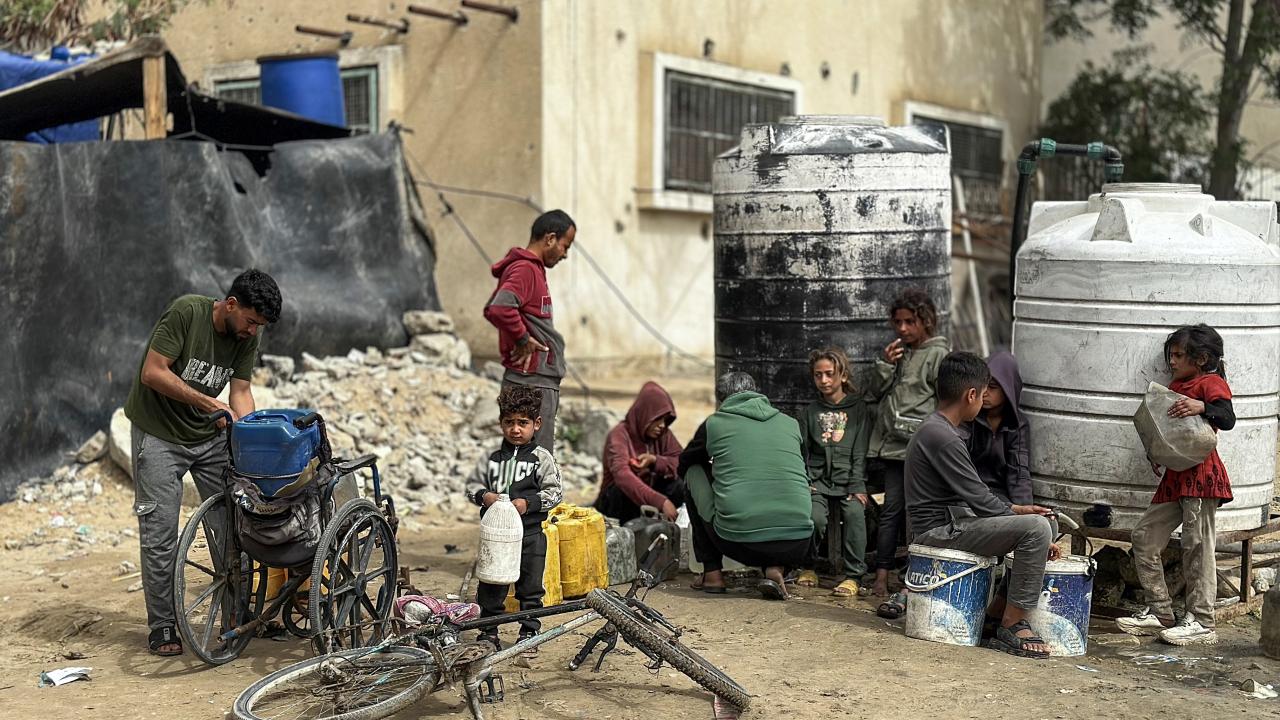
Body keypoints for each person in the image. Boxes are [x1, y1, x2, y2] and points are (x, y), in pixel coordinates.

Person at [124, 269, 281, 656]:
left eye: (258, 326)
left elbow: (240, 392)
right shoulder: (186, 314)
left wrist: (250, 438)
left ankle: (236, 616)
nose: (251, 331)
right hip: (159, 434)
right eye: (249, 321)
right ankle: (162, 625)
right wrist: (210, 403)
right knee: (161, 536)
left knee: (232, 525)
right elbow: (152, 372)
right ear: (230, 305)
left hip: (208, 437)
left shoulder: (248, 333)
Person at [905, 351, 1060, 659]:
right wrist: (1026, 521)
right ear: (971, 394)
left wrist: (1020, 511)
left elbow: (977, 497)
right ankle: (1014, 623)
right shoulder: (942, 436)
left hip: (957, 522)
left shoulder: (940, 429)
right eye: (983, 392)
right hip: (938, 531)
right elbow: (979, 498)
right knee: (1037, 529)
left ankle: (997, 611)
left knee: (1046, 522)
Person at [1116, 324, 1235, 646]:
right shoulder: (1178, 384)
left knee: (1197, 548)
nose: (1172, 361)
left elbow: (1227, 418)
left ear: (1202, 357)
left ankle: (1202, 622)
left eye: (1179, 355)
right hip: (1176, 475)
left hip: (1201, 477)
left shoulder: (1211, 382)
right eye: (1171, 355)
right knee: (1144, 537)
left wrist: (1203, 407)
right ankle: (1161, 613)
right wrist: (1158, 450)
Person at [678, 371, 814, 600]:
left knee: (693, 474)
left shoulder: (714, 424)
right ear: (756, 393)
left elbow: (685, 464)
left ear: (722, 400)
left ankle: (712, 573)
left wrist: (718, 471)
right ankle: (775, 568)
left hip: (737, 542)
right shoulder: (790, 423)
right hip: (797, 543)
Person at [466, 385, 564, 656]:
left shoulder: (541, 459)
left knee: (530, 587)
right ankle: (488, 632)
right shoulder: (492, 458)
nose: (516, 429)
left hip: (530, 534)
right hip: (495, 538)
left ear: (537, 424)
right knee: (491, 586)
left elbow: (555, 494)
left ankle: (528, 632)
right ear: (501, 424)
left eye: (523, 423)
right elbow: (471, 485)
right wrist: (483, 495)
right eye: (509, 422)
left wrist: (528, 504)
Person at [864, 288, 950, 599]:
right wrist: (885, 365)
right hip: (892, 447)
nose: (902, 329)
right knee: (891, 511)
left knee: (917, 516)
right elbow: (872, 393)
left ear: (925, 321)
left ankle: (913, 573)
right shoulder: (899, 353)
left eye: (910, 322)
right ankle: (881, 574)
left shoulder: (938, 355)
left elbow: (944, 401)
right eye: (898, 322)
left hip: (920, 450)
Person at [483, 209, 576, 452]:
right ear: (550, 239)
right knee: (533, 463)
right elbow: (499, 308)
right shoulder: (525, 269)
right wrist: (522, 338)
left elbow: (494, 308)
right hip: (531, 381)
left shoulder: (529, 270)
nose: (565, 254)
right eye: (565, 246)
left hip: (533, 380)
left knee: (525, 462)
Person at [795, 348, 871, 597]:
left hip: (848, 481)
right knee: (814, 518)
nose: (824, 381)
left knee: (855, 516)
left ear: (843, 375)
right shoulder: (810, 412)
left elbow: (859, 450)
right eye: (818, 375)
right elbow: (801, 451)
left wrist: (857, 484)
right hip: (818, 482)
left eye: (830, 374)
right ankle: (808, 565)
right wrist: (805, 481)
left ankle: (853, 576)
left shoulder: (858, 409)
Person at [593, 381, 684, 523]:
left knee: (680, 483)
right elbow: (622, 476)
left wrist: (655, 461)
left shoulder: (663, 435)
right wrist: (661, 502)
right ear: (645, 415)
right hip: (618, 505)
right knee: (621, 490)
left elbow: (681, 461)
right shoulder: (619, 435)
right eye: (657, 419)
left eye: (665, 420)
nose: (662, 425)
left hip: (649, 498)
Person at [965, 352, 1033, 505]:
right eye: (983, 385)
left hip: (1000, 498)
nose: (985, 392)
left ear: (1008, 389)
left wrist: (1025, 511)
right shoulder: (969, 416)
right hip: (966, 494)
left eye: (993, 387)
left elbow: (1018, 473)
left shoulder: (1018, 424)